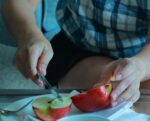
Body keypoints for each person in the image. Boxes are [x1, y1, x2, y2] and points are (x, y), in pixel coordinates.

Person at [2, 0, 150, 107]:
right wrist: (29, 36)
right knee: (114, 93)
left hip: (141, 54)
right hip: (75, 48)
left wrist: (140, 67)